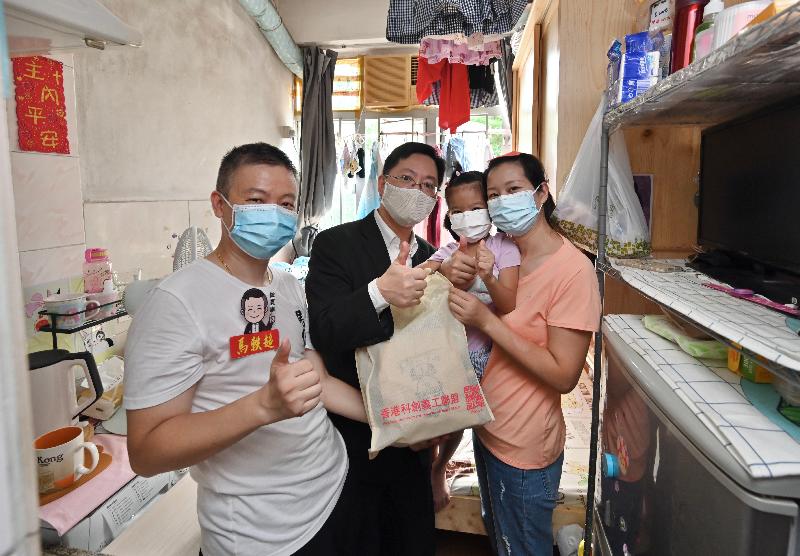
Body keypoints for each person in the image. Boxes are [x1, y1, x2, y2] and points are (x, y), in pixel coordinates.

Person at [124, 143, 366, 556]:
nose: (274, 213)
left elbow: (317, 380)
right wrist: (264, 406)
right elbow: (147, 452)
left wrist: (392, 421)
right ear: (220, 205)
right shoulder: (177, 302)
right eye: (256, 200)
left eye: (286, 204)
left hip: (333, 487)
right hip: (263, 534)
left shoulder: (288, 285)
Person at [442, 152, 601, 556]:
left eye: (513, 190)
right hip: (487, 429)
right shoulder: (497, 249)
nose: (501, 201)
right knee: (500, 540)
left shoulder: (573, 272)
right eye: (492, 194)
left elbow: (565, 375)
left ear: (541, 193)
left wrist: (487, 321)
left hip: (526, 447)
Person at [306, 142, 445, 556]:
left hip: (413, 435)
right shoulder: (336, 243)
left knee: (411, 539)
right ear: (383, 183)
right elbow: (325, 329)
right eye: (406, 179)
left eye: (428, 186)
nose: (416, 191)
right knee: (358, 540)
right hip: (353, 435)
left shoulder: (429, 257)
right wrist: (378, 293)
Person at [419, 167, 520, 512]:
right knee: (439, 420)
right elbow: (418, 280)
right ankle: (434, 465)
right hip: (444, 353)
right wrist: (442, 273)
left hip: (484, 356)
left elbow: (507, 304)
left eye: (476, 208)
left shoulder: (505, 249)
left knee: (465, 419)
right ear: (449, 216)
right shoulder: (447, 251)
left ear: (490, 209)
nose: (468, 218)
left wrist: (488, 276)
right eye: (458, 212)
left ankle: (441, 466)